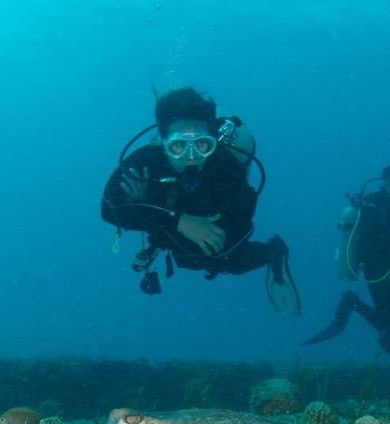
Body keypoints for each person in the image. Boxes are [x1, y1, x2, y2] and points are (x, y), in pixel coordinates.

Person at [100, 86, 300, 314]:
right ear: (163, 141)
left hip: (221, 247)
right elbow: (108, 209)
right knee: (186, 254)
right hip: (174, 235)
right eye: (178, 145)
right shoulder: (147, 160)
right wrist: (179, 221)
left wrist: (147, 209)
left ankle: (275, 252)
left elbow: (235, 223)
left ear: (213, 140)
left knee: (227, 263)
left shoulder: (225, 167)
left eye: (202, 144)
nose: (191, 155)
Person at [304, 164, 390, 383]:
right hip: (376, 270)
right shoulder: (372, 203)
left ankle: (383, 336)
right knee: (387, 322)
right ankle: (360, 312)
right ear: (388, 182)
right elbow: (375, 237)